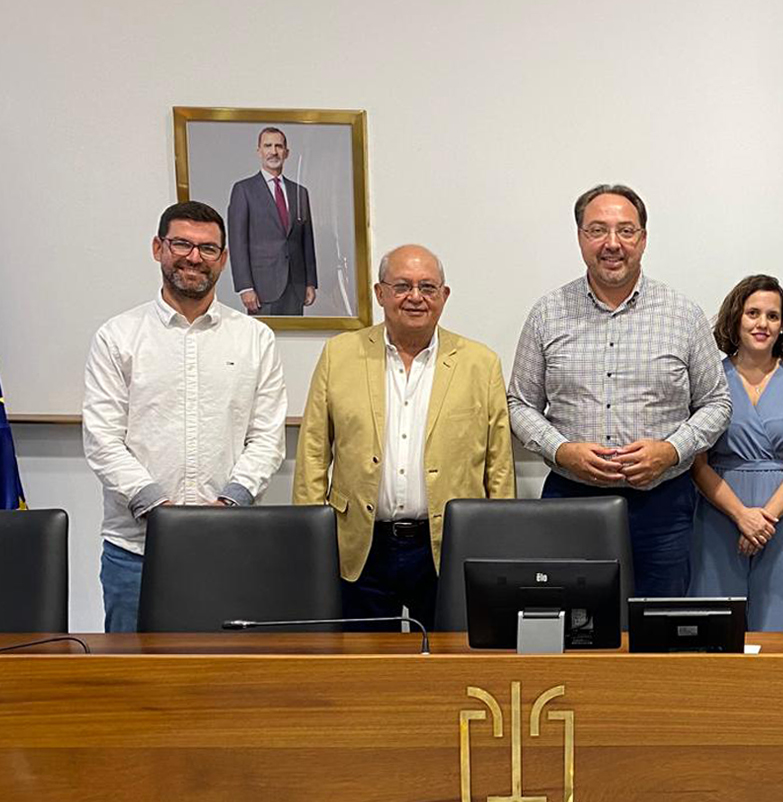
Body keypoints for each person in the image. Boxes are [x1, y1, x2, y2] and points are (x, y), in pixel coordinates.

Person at [508, 184, 731, 597]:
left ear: (643, 240)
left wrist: (671, 450)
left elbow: (717, 403)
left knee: (655, 635)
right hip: (571, 502)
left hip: (662, 507)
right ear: (580, 238)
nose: (613, 244)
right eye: (598, 230)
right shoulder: (547, 313)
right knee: (572, 628)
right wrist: (561, 450)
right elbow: (520, 404)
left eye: (626, 231)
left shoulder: (682, 314)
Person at [83, 201, 287, 631]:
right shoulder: (118, 336)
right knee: (134, 684)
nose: (194, 257)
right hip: (135, 554)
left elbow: (267, 437)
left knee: (225, 683)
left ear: (224, 259)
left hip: (231, 549)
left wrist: (229, 504)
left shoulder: (255, 339)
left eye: (208, 249)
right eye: (181, 244)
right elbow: (102, 439)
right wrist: (161, 511)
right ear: (158, 247)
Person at [293, 244, 515, 628]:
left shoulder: (480, 362)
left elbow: (499, 464)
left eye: (428, 287)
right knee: (366, 670)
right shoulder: (339, 354)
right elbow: (313, 449)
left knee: (450, 668)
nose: (415, 297)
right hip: (359, 546)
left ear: (444, 297)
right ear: (381, 293)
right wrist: (310, 537)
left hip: (449, 543)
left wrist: (498, 541)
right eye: (402, 286)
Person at [688, 275, 783, 630]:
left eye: (772, 315)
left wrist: (764, 520)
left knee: (780, 636)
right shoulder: (710, 379)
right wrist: (742, 516)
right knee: (715, 634)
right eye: (753, 313)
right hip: (719, 517)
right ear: (736, 317)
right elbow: (696, 460)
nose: (762, 324)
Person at [227, 126, 318, 315]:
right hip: (262, 288)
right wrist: (245, 287)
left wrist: (310, 282)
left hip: (296, 285)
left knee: (294, 342)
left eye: (279, 146)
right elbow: (237, 242)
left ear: (286, 153)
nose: (273, 151)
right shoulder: (244, 190)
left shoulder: (300, 192)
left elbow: (306, 241)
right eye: (268, 146)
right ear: (259, 151)